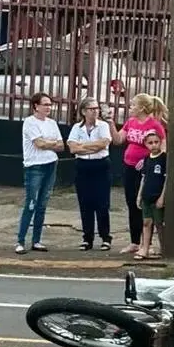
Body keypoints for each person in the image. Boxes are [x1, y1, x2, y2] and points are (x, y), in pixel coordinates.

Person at [108, 93, 167, 255]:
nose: (130, 108)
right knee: (132, 203)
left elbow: (162, 148)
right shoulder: (131, 122)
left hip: (145, 170)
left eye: (133, 105)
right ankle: (134, 241)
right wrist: (111, 124)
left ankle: (146, 243)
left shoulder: (154, 125)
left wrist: (150, 162)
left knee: (145, 203)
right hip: (129, 166)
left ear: (141, 108)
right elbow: (119, 140)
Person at [16, 92, 63, 255]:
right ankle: (20, 240)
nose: (48, 107)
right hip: (35, 165)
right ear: (36, 106)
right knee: (31, 203)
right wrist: (51, 144)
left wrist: (48, 144)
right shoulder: (30, 122)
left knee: (42, 204)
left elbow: (61, 145)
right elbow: (39, 143)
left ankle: (36, 240)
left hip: (50, 164)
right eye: (45, 104)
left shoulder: (52, 123)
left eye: (50, 105)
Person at [67, 97, 113, 251]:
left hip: (100, 165)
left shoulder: (103, 126)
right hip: (83, 166)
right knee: (85, 202)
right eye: (92, 109)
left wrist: (83, 145)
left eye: (97, 109)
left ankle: (105, 237)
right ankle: (87, 238)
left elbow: (103, 144)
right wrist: (89, 147)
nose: (95, 111)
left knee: (102, 203)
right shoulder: (76, 128)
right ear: (84, 111)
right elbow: (73, 148)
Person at [135, 131, 166, 260]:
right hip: (146, 196)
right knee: (147, 222)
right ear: (146, 144)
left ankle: (164, 248)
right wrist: (139, 196)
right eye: (150, 143)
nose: (153, 145)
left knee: (159, 224)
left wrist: (162, 197)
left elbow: (166, 179)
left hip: (157, 196)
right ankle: (145, 249)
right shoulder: (147, 159)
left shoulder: (164, 158)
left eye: (156, 142)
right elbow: (144, 178)